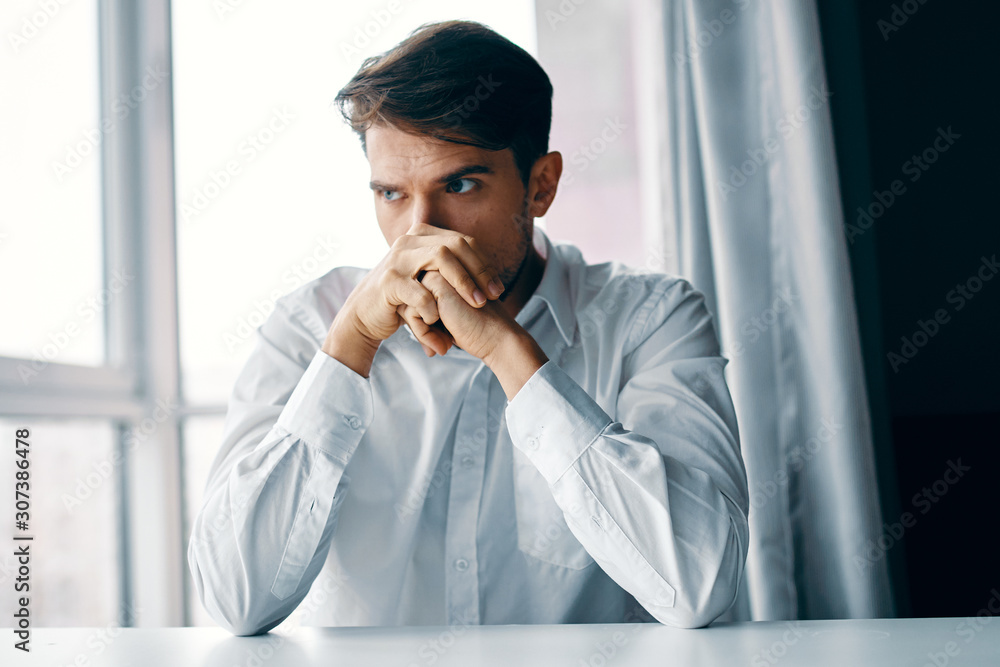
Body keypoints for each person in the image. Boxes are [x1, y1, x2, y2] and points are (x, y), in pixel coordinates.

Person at [188, 19, 749, 636]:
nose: (419, 232)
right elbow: (234, 601)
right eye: (391, 194)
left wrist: (509, 354)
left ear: (541, 186)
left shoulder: (651, 320)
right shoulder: (308, 328)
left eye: (459, 185)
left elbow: (699, 588)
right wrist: (349, 349)